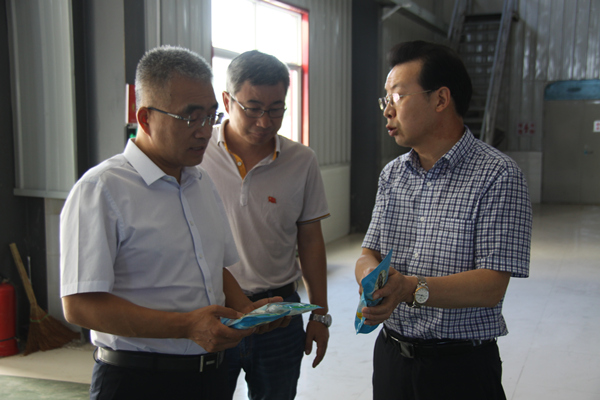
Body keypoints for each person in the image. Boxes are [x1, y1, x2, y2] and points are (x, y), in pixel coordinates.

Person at [60, 45, 286, 400]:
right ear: (145, 118)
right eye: (190, 118)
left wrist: (245, 310)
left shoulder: (200, 182)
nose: (204, 131)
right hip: (138, 381)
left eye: (210, 116)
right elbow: (79, 305)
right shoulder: (102, 190)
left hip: (209, 377)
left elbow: (213, 268)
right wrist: (186, 326)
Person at [355, 40, 532, 400]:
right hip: (392, 357)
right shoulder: (393, 174)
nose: (387, 110)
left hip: (459, 368)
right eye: (384, 100)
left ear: (440, 99)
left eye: (397, 96)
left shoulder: (498, 175)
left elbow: (491, 287)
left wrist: (408, 288)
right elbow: (368, 253)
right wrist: (373, 281)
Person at [202, 50, 331, 400]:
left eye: (276, 109)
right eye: (253, 108)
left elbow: (310, 241)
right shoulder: (197, 154)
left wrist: (320, 314)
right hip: (215, 311)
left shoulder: (301, 161)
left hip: (279, 315)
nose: (264, 121)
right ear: (227, 101)